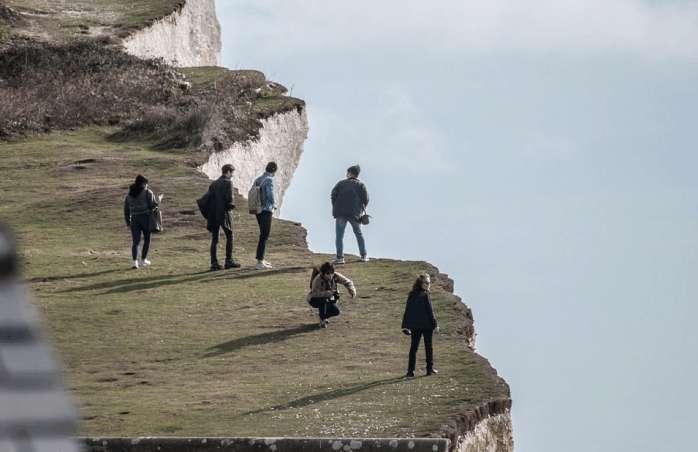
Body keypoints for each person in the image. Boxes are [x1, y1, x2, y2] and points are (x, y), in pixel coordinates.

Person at [330, 164, 369, 264]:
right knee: (358, 234)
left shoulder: (341, 183)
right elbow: (366, 199)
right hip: (354, 214)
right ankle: (363, 256)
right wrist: (360, 209)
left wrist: (336, 206)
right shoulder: (361, 185)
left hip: (341, 213)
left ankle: (340, 258)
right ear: (357, 175)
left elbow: (333, 195)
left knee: (339, 236)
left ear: (349, 173)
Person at [402, 274, 439, 377]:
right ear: (420, 283)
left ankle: (410, 371)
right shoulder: (426, 295)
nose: (428, 285)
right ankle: (429, 370)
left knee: (414, 348)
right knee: (428, 347)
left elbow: (407, 311)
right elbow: (430, 311)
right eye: (426, 283)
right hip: (427, 326)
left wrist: (405, 326)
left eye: (429, 283)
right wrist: (435, 325)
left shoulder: (411, 294)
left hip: (415, 326)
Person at [123, 175, 161, 269]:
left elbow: (126, 209)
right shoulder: (148, 192)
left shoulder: (129, 195)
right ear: (143, 183)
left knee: (135, 242)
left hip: (134, 219)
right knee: (147, 239)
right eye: (146, 183)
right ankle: (143, 260)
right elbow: (153, 206)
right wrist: (159, 201)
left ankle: (134, 262)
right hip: (145, 218)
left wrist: (128, 222)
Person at [207, 164, 240, 271]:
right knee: (230, 235)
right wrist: (232, 206)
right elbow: (229, 200)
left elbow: (209, 199)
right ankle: (228, 261)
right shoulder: (228, 183)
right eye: (232, 173)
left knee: (215, 239)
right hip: (224, 214)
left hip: (213, 214)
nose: (232, 175)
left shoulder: (213, 184)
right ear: (228, 172)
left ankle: (214, 263)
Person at [307, 262, 356, 328]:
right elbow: (315, 294)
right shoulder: (318, 280)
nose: (330, 275)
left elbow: (348, 282)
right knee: (323, 301)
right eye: (327, 273)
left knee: (336, 312)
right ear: (323, 273)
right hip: (314, 299)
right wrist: (328, 293)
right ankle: (322, 320)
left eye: (331, 273)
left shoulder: (335, 276)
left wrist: (351, 290)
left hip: (329, 298)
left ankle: (323, 317)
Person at [253, 162, 277, 270]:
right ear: (274, 171)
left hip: (257, 210)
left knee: (263, 235)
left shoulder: (258, 179)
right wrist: (274, 205)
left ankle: (261, 259)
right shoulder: (269, 179)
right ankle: (259, 262)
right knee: (264, 235)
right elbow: (270, 194)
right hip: (266, 210)